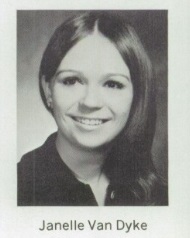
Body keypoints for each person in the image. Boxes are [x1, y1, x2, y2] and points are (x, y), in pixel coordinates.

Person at [17, 11, 168, 206]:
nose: (90, 102)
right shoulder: (15, 190)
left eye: (112, 84)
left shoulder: (160, 196)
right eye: (71, 81)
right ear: (48, 89)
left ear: (136, 94)